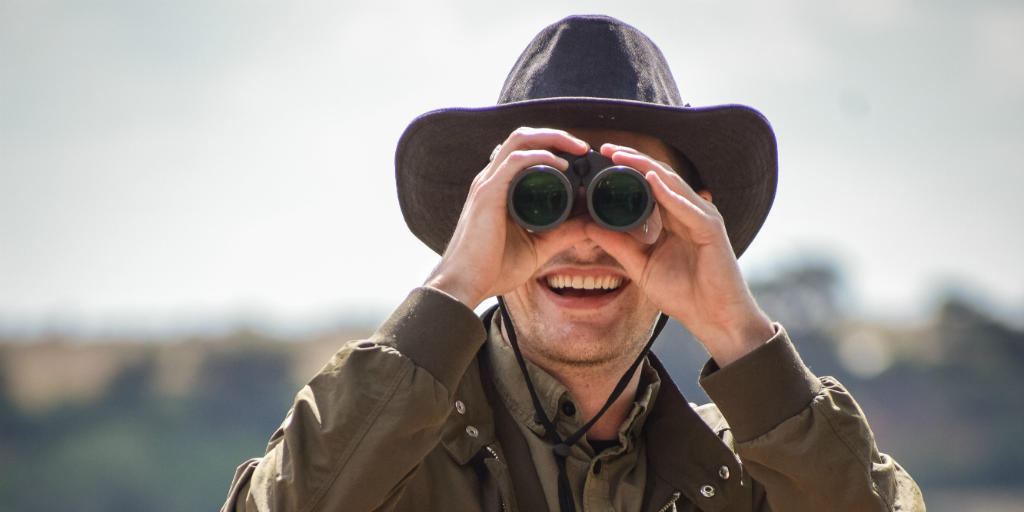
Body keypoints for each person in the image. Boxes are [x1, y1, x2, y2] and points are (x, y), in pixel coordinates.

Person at [222, 15, 924, 512]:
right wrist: (452, 285)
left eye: (627, 196)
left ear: (692, 218)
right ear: (482, 213)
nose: (585, 239)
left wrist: (740, 334)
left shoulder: (757, 475)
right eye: (541, 196)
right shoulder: (385, 462)